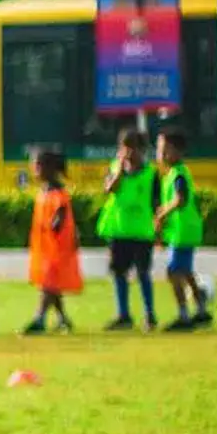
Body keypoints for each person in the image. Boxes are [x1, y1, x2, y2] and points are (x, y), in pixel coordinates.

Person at [98, 129, 159, 331]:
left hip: (141, 231)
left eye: (133, 148)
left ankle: (149, 315)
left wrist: (159, 228)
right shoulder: (115, 169)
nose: (129, 153)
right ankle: (123, 315)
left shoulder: (151, 173)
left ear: (142, 150)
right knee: (119, 272)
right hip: (119, 230)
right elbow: (109, 189)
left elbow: (156, 202)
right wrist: (120, 173)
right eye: (124, 147)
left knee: (143, 273)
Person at [154, 129, 210, 331]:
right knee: (185, 271)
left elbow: (180, 199)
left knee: (173, 272)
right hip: (182, 229)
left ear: (177, 151)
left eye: (164, 149)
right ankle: (202, 311)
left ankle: (184, 316)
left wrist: (162, 213)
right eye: (159, 149)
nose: (160, 154)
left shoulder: (178, 173)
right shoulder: (170, 175)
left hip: (184, 230)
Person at [24, 149, 81, 335]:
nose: (34, 169)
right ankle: (63, 319)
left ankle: (39, 318)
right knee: (52, 284)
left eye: (38, 165)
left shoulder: (58, 192)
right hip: (45, 247)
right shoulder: (44, 191)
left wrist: (54, 225)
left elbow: (60, 214)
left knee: (48, 284)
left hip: (57, 247)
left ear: (49, 168)